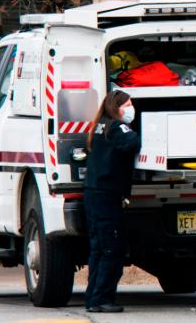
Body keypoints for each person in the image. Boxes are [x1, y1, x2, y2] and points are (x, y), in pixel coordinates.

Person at [83, 90, 140, 313]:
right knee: (112, 249)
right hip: (106, 196)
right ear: (117, 107)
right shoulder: (116, 128)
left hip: (94, 194)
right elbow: (131, 142)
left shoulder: (99, 126)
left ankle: (93, 298)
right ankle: (101, 299)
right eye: (128, 104)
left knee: (98, 249)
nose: (131, 108)